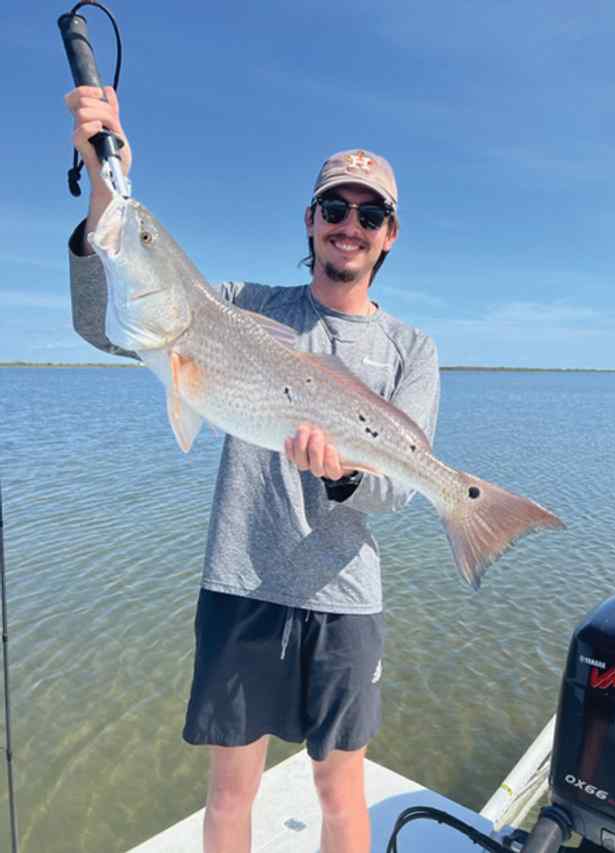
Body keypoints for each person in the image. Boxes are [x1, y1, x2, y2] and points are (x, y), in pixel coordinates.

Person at [64, 85, 440, 853]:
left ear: (389, 234)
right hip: (241, 582)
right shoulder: (231, 307)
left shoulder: (412, 349)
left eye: (369, 214)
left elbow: (399, 488)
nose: (350, 225)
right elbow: (108, 312)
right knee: (230, 794)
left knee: (341, 796)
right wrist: (104, 177)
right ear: (310, 219)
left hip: (345, 596)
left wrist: (342, 475)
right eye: (335, 207)